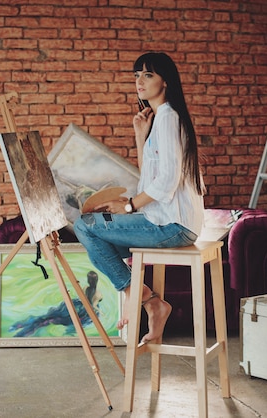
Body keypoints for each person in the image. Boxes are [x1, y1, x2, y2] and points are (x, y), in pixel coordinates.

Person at [74, 52, 205, 344]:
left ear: (165, 82)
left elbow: (167, 183)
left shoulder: (169, 117)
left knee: (85, 227)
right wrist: (139, 135)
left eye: (148, 75)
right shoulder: (160, 120)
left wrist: (130, 206)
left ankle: (142, 297)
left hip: (172, 226)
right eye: (136, 75)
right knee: (98, 239)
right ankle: (151, 303)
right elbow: (150, 178)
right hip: (166, 221)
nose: (139, 82)